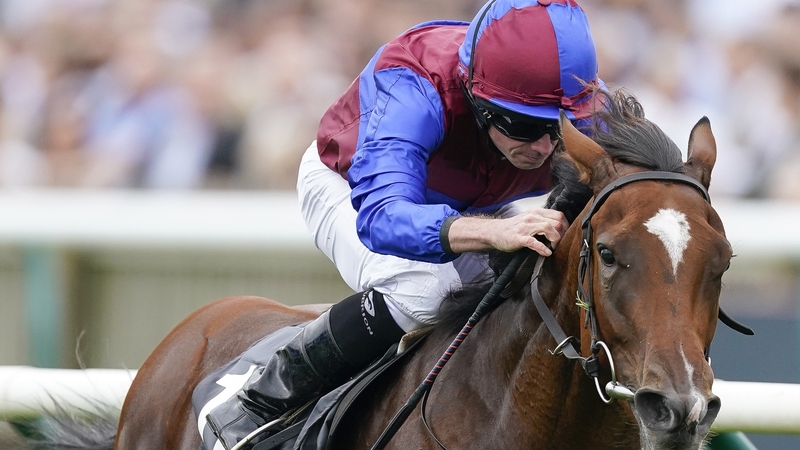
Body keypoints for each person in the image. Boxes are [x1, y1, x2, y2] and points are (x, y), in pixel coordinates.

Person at [208, 0, 602, 447]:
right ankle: (259, 400)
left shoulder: (575, 97)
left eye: (561, 127)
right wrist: (491, 231)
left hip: (466, 206)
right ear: (476, 95)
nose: (546, 147)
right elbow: (382, 217)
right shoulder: (414, 84)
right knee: (425, 290)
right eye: (524, 126)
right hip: (352, 187)